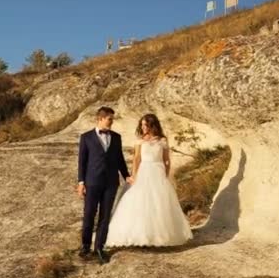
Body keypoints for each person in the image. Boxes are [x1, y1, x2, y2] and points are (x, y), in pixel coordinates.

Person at [105, 114, 193, 248]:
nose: (143, 127)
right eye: (141, 125)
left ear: (152, 125)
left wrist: (166, 175)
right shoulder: (140, 141)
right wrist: (133, 176)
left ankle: (158, 236)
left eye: (145, 125)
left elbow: (166, 160)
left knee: (159, 204)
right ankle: (140, 235)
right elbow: (136, 159)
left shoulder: (162, 140)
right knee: (140, 202)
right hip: (144, 172)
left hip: (158, 172)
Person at [77, 106, 131, 264]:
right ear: (100, 118)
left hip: (111, 182)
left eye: (112, 120)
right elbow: (82, 162)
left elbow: (120, 159)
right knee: (89, 214)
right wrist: (81, 182)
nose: (112, 122)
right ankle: (85, 246)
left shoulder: (116, 137)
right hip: (92, 182)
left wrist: (126, 175)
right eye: (110, 119)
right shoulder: (86, 137)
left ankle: (99, 247)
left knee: (105, 216)